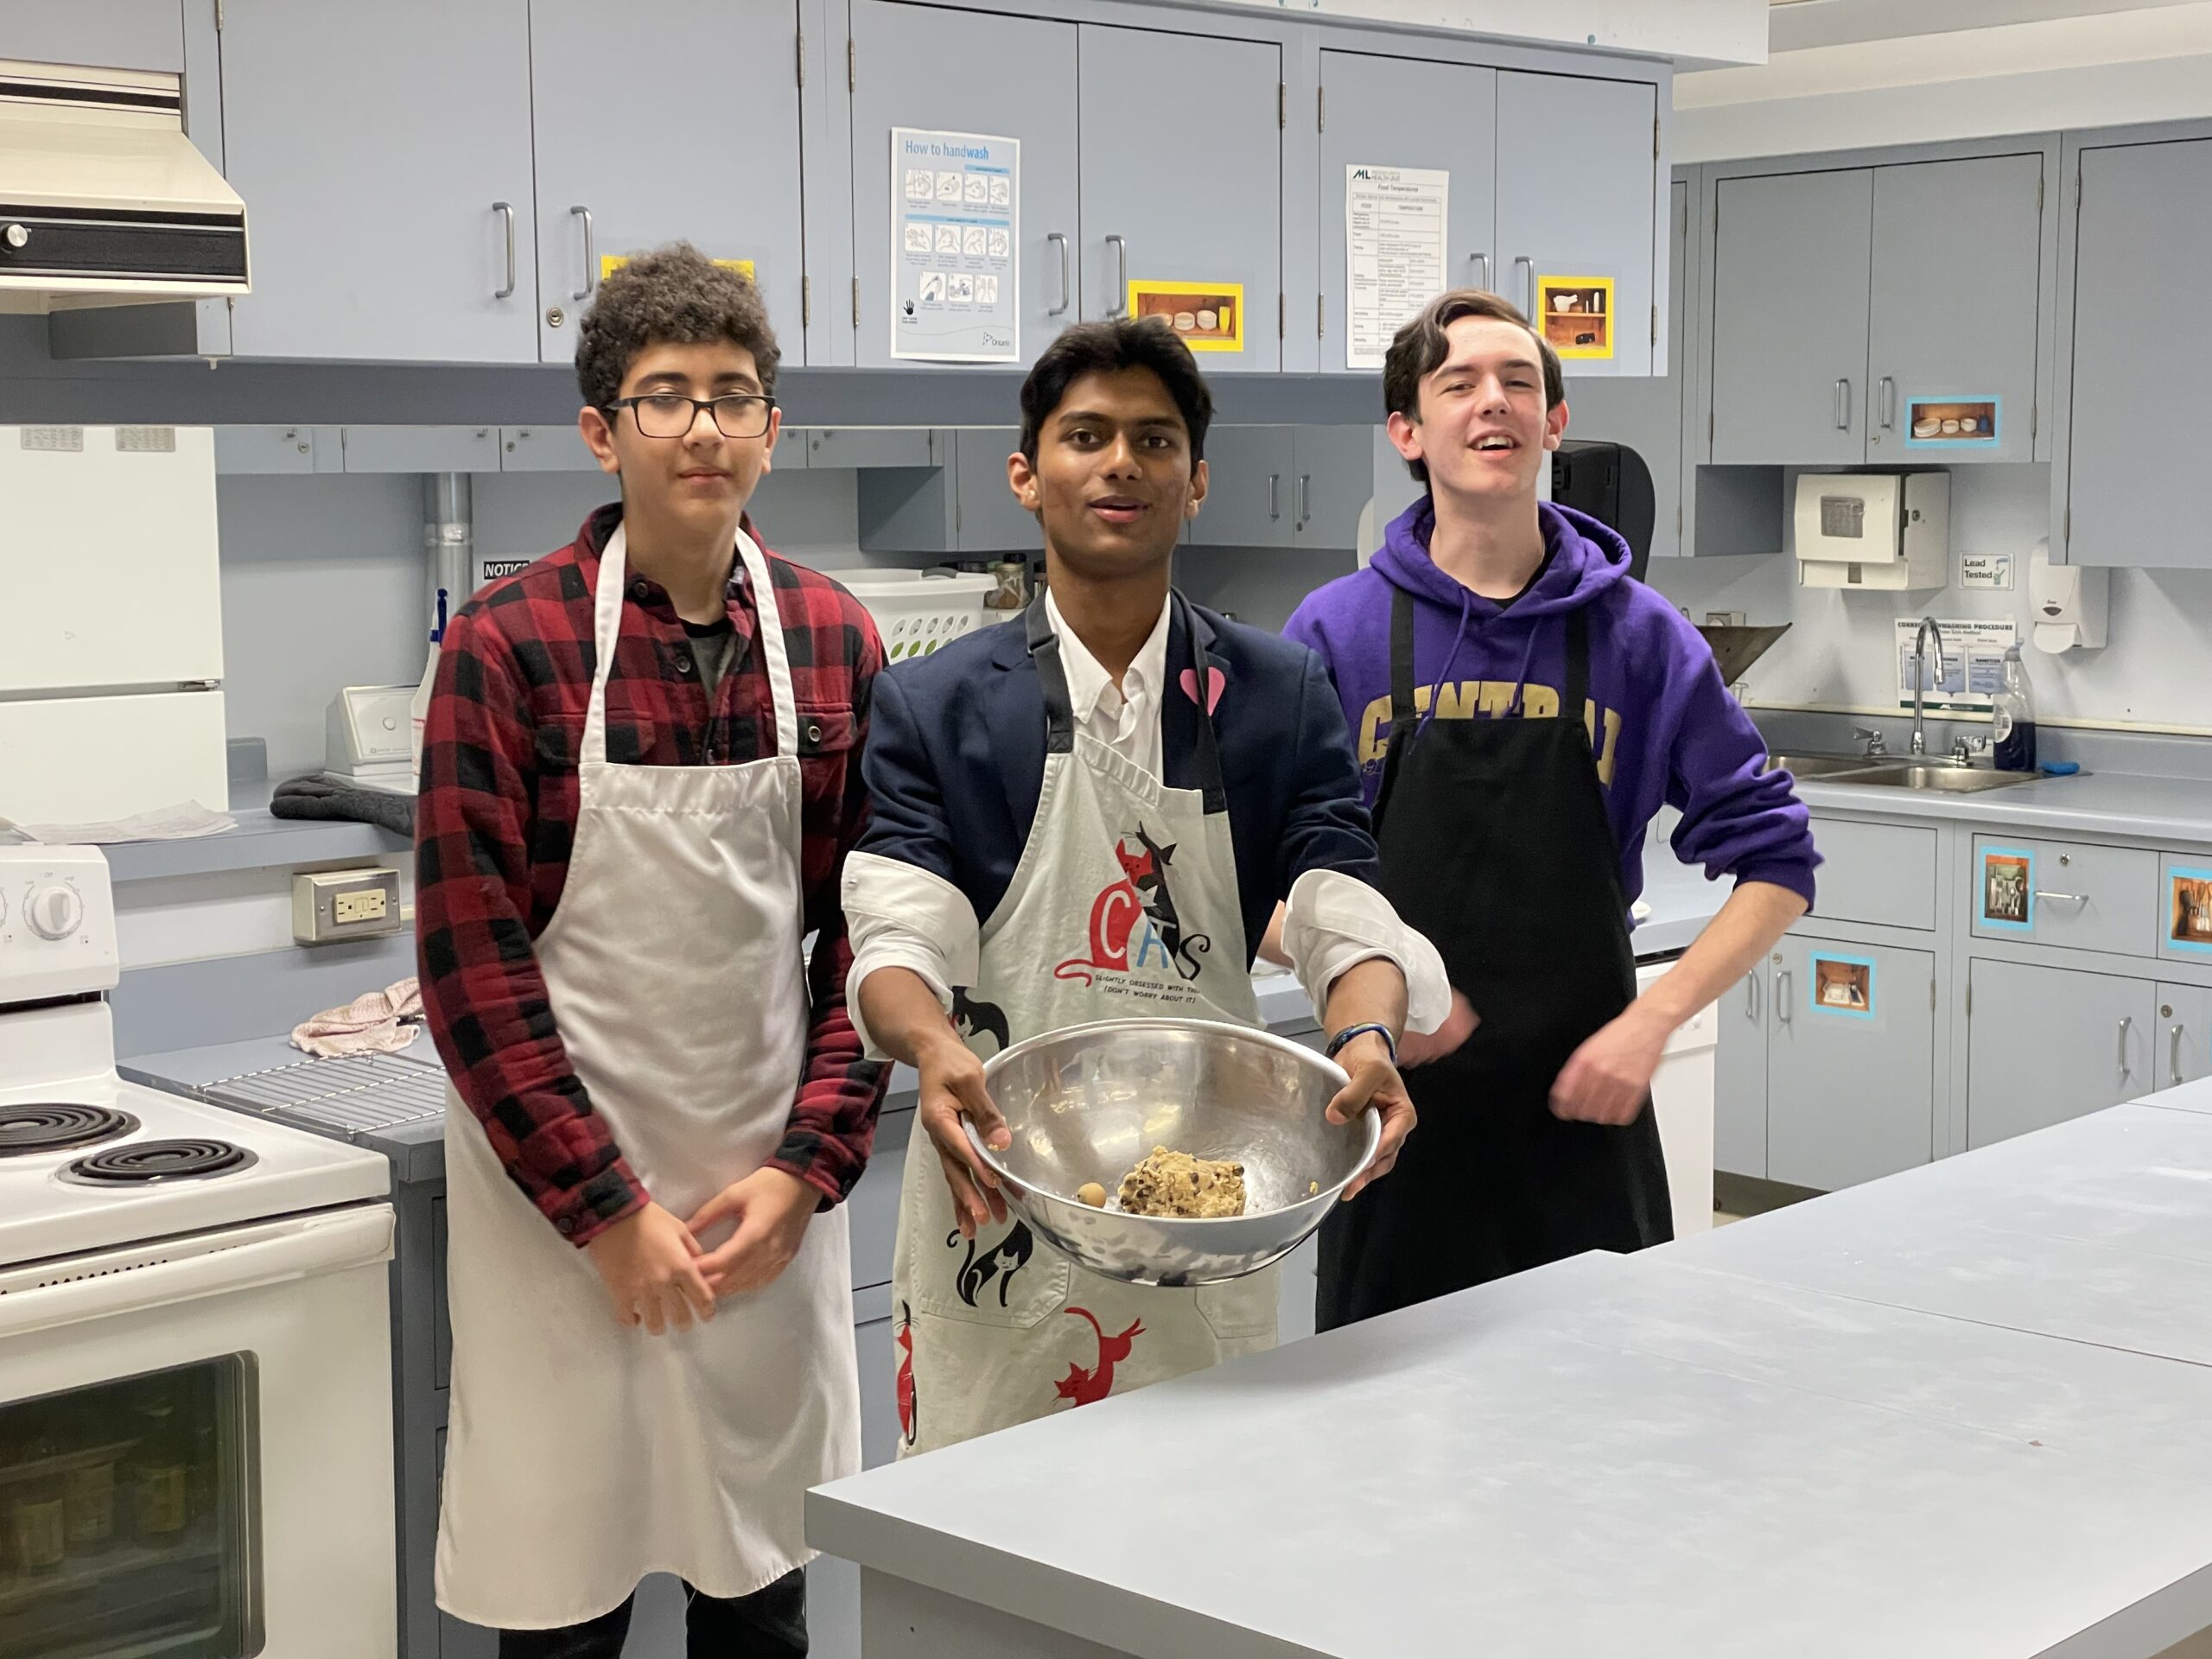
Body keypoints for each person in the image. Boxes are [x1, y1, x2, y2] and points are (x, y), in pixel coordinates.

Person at [841, 317, 1458, 1456]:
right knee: (984, 1561)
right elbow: (897, 927)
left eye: (1153, 440)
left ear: (1197, 481)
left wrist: (1367, 1029)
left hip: (1207, 1230)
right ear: (1027, 476)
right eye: (1085, 436)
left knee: (1197, 1538)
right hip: (1001, 1192)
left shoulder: (1276, 692)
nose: (1120, 461)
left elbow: (1334, 893)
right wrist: (931, 1047)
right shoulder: (936, 705)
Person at [416, 244, 887, 1656]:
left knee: (763, 1602)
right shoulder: (509, 648)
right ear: (601, 430)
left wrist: (808, 1170)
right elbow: (473, 969)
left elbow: (876, 941)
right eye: (665, 396)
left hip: (762, 1205)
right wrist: (607, 1213)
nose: (701, 427)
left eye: (731, 396)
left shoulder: (832, 637)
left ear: (770, 428)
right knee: (564, 1615)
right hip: (564, 1233)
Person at [1283, 289, 1819, 1332]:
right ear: (1406, 432)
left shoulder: (1641, 637)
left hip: (1583, 1114)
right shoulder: (1332, 633)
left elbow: (1779, 867)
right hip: (1383, 1109)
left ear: (1554, 422)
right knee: (1378, 1433)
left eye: (1520, 383)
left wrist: (1652, 1024)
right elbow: (1255, 867)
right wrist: (1368, 992)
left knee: (1599, 1420)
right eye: (1460, 384)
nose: (1496, 403)